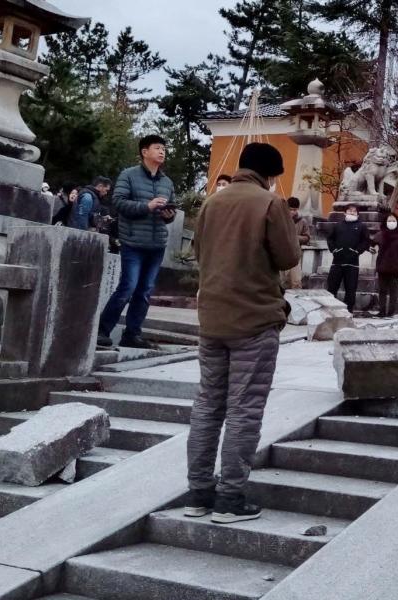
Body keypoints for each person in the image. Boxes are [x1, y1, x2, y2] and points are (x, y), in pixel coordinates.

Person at [185, 142, 299, 524]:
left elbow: (200, 254)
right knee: (244, 409)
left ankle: (198, 492)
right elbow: (288, 258)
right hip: (254, 319)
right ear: (270, 174)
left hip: (212, 319)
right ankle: (230, 497)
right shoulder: (269, 203)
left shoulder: (211, 203)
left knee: (207, 405)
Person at [96, 135, 176, 349]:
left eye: (164, 149)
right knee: (128, 286)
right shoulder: (128, 175)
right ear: (144, 152)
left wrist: (169, 214)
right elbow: (119, 203)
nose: (162, 152)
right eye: (157, 148)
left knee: (145, 291)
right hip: (132, 241)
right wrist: (147, 206)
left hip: (157, 243)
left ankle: (132, 334)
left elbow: (171, 213)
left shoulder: (167, 182)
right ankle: (102, 331)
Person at [326, 205, 371, 310]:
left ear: (358, 214)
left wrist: (357, 251)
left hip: (352, 263)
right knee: (332, 288)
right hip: (337, 262)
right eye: (349, 210)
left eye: (354, 211)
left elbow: (365, 241)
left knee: (350, 290)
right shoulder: (337, 225)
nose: (352, 212)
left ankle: (348, 312)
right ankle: (330, 310)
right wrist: (334, 250)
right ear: (345, 213)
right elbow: (330, 239)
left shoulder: (362, 226)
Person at [372, 212, 398, 317]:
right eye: (389, 220)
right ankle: (382, 311)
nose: (391, 222)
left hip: (395, 267)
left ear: (397, 222)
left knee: (393, 290)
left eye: (393, 220)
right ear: (385, 222)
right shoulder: (381, 234)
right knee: (382, 290)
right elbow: (372, 243)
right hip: (382, 266)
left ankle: (391, 311)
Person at [282, 197, 311, 289]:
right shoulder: (280, 220)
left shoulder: (302, 221)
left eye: (295, 210)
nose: (293, 212)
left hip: (295, 255)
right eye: (290, 209)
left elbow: (307, 237)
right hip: (280, 254)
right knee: (281, 282)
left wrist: (295, 238)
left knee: (296, 282)